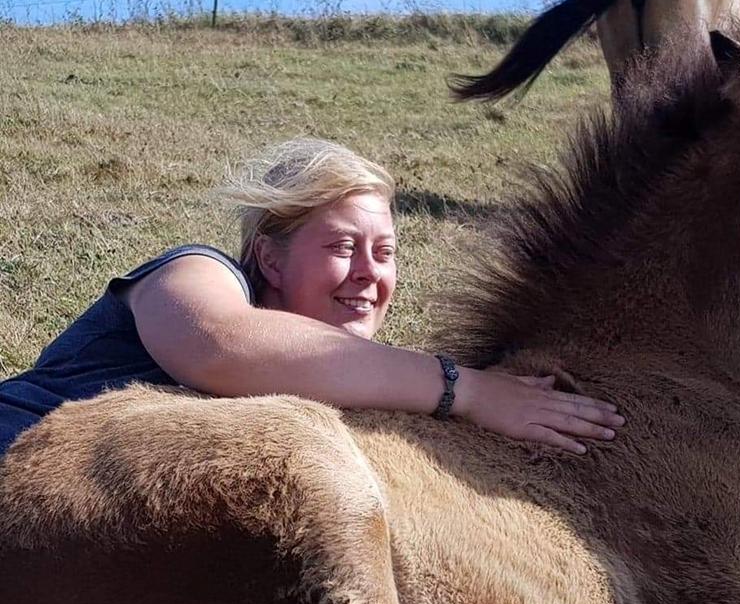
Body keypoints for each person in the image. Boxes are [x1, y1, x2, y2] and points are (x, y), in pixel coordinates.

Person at [0, 138, 624, 459]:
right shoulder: (196, 272)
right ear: (270, 256)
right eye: (343, 247)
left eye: (385, 252)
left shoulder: (360, 381)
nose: (369, 273)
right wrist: (471, 391)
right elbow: (221, 347)